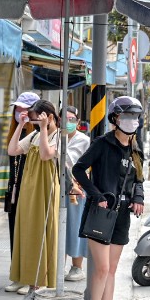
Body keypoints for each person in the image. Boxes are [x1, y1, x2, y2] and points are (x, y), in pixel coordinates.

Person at [72, 96, 145, 300]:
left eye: (134, 117)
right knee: (101, 268)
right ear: (115, 119)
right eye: (126, 116)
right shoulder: (102, 143)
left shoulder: (136, 146)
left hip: (123, 213)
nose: (131, 121)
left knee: (112, 269)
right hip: (101, 211)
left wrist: (138, 199)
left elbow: (139, 178)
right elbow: (78, 169)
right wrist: (95, 194)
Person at [7, 99, 61, 300]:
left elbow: (47, 155)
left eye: (38, 118)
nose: (36, 123)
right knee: (28, 235)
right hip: (29, 192)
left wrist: (46, 128)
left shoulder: (59, 137)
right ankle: (31, 285)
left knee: (43, 236)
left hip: (45, 192)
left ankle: (40, 288)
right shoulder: (35, 134)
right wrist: (21, 126)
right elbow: (12, 150)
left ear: (48, 116)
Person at [3, 91, 40, 295]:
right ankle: (17, 275)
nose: (20, 112)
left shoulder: (36, 133)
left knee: (27, 234)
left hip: (30, 191)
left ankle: (29, 278)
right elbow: (11, 152)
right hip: (15, 189)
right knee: (14, 232)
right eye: (18, 109)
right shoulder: (16, 131)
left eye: (24, 109)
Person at [64, 105, 91, 281]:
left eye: (71, 119)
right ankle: (58, 265)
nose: (68, 122)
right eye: (64, 119)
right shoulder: (55, 137)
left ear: (78, 122)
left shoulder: (84, 140)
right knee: (59, 228)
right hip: (59, 186)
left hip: (77, 188)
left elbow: (75, 162)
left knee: (75, 226)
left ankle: (77, 267)